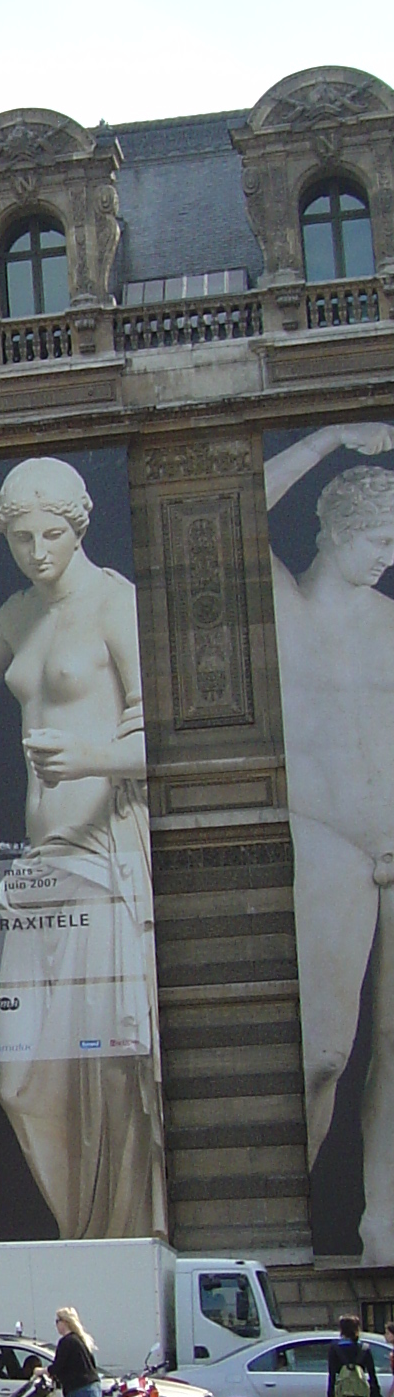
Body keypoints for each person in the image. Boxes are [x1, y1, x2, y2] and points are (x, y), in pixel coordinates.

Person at [0, 456, 166, 1238]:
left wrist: (88, 760)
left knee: (111, 1071)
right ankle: (85, 1232)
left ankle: (113, 1240)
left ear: (78, 527)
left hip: (103, 857)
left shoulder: (116, 603)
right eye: (20, 538)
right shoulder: (19, 616)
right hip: (36, 872)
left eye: (50, 534)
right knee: (23, 1085)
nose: (37, 552)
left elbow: (162, 739)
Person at [264, 428, 394, 1257]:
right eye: (381, 540)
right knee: (323, 1052)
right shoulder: (286, 602)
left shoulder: (389, 618)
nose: (390, 557)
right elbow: (241, 503)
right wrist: (327, 440)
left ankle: (382, 1218)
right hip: (325, 842)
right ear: (336, 530)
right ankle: (291, 1205)